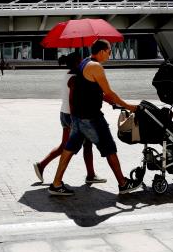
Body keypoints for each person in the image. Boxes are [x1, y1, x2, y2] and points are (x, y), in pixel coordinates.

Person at [48, 39, 141, 196]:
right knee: (109, 147)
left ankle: (56, 184)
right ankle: (123, 184)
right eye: (109, 51)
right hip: (91, 118)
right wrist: (129, 106)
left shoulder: (85, 62)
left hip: (78, 117)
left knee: (69, 149)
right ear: (102, 51)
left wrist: (105, 99)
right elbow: (109, 92)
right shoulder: (96, 67)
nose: (110, 55)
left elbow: (89, 90)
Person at [33, 53, 104, 185]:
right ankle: (87, 176)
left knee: (65, 146)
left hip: (63, 113)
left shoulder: (68, 74)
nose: (83, 63)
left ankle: (41, 165)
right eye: (81, 61)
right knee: (82, 145)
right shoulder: (75, 79)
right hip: (73, 115)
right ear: (77, 63)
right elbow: (72, 99)